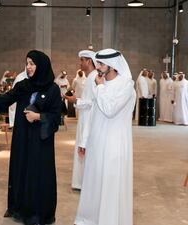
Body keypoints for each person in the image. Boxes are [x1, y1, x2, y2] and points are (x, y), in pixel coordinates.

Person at [0, 50, 62, 225]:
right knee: (21, 170)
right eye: (27, 63)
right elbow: (5, 99)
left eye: (32, 64)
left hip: (41, 141)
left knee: (38, 174)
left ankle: (38, 213)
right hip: (22, 137)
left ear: (41, 65)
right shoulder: (23, 86)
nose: (28, 67)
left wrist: (39, 117)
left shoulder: (53, 89)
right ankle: (19, 208)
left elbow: (56, 117)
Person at [74, 49, 136, 225]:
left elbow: (110, 109)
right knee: (95, 181)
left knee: (110, 184)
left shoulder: (126, 85)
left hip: (115, 144)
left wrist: (100, 86)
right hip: (97, 142)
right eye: (98, 63)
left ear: (113, 66)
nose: (98, 68)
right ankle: (91, 219)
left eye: (101, 64)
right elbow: (93, 113)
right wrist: (85, 141)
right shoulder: (98, 83)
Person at [64, 50, 98, 190]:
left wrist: (74, 100)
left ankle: (84, 183)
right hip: (85, 116)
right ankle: (81, 182)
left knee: (84, 148)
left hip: (88, 117)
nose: (80, 63)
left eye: (82, 60)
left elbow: (90, 102)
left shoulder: (93, 77)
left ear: (89, 61)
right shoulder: (90, 76)